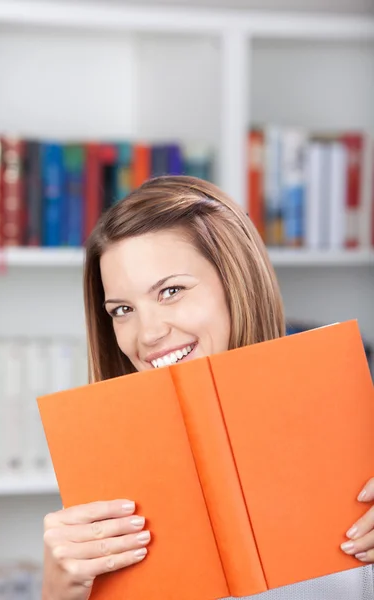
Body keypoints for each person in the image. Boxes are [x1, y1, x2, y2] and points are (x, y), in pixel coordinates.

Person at [42, 176, 374, 600]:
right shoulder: (104, 478)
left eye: (171, 291)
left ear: (237, 283)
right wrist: (58, 593)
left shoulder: (356, 430)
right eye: (122, 310)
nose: (147, 335)